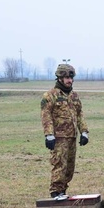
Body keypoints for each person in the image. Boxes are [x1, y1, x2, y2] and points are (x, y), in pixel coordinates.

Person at [40, 63, 88, 198]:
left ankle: (63, 190)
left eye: (71, 78)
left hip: (72, 136)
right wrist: (49, 134)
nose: (69, 80)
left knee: (69, 167)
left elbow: (79, 114)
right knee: (59, 164)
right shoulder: (50, 96)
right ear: (60, 78)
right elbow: (46, 116)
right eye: (66, 78)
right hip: (59, 137)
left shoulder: (74, 96)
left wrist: (84, 131)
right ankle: (55, 191)